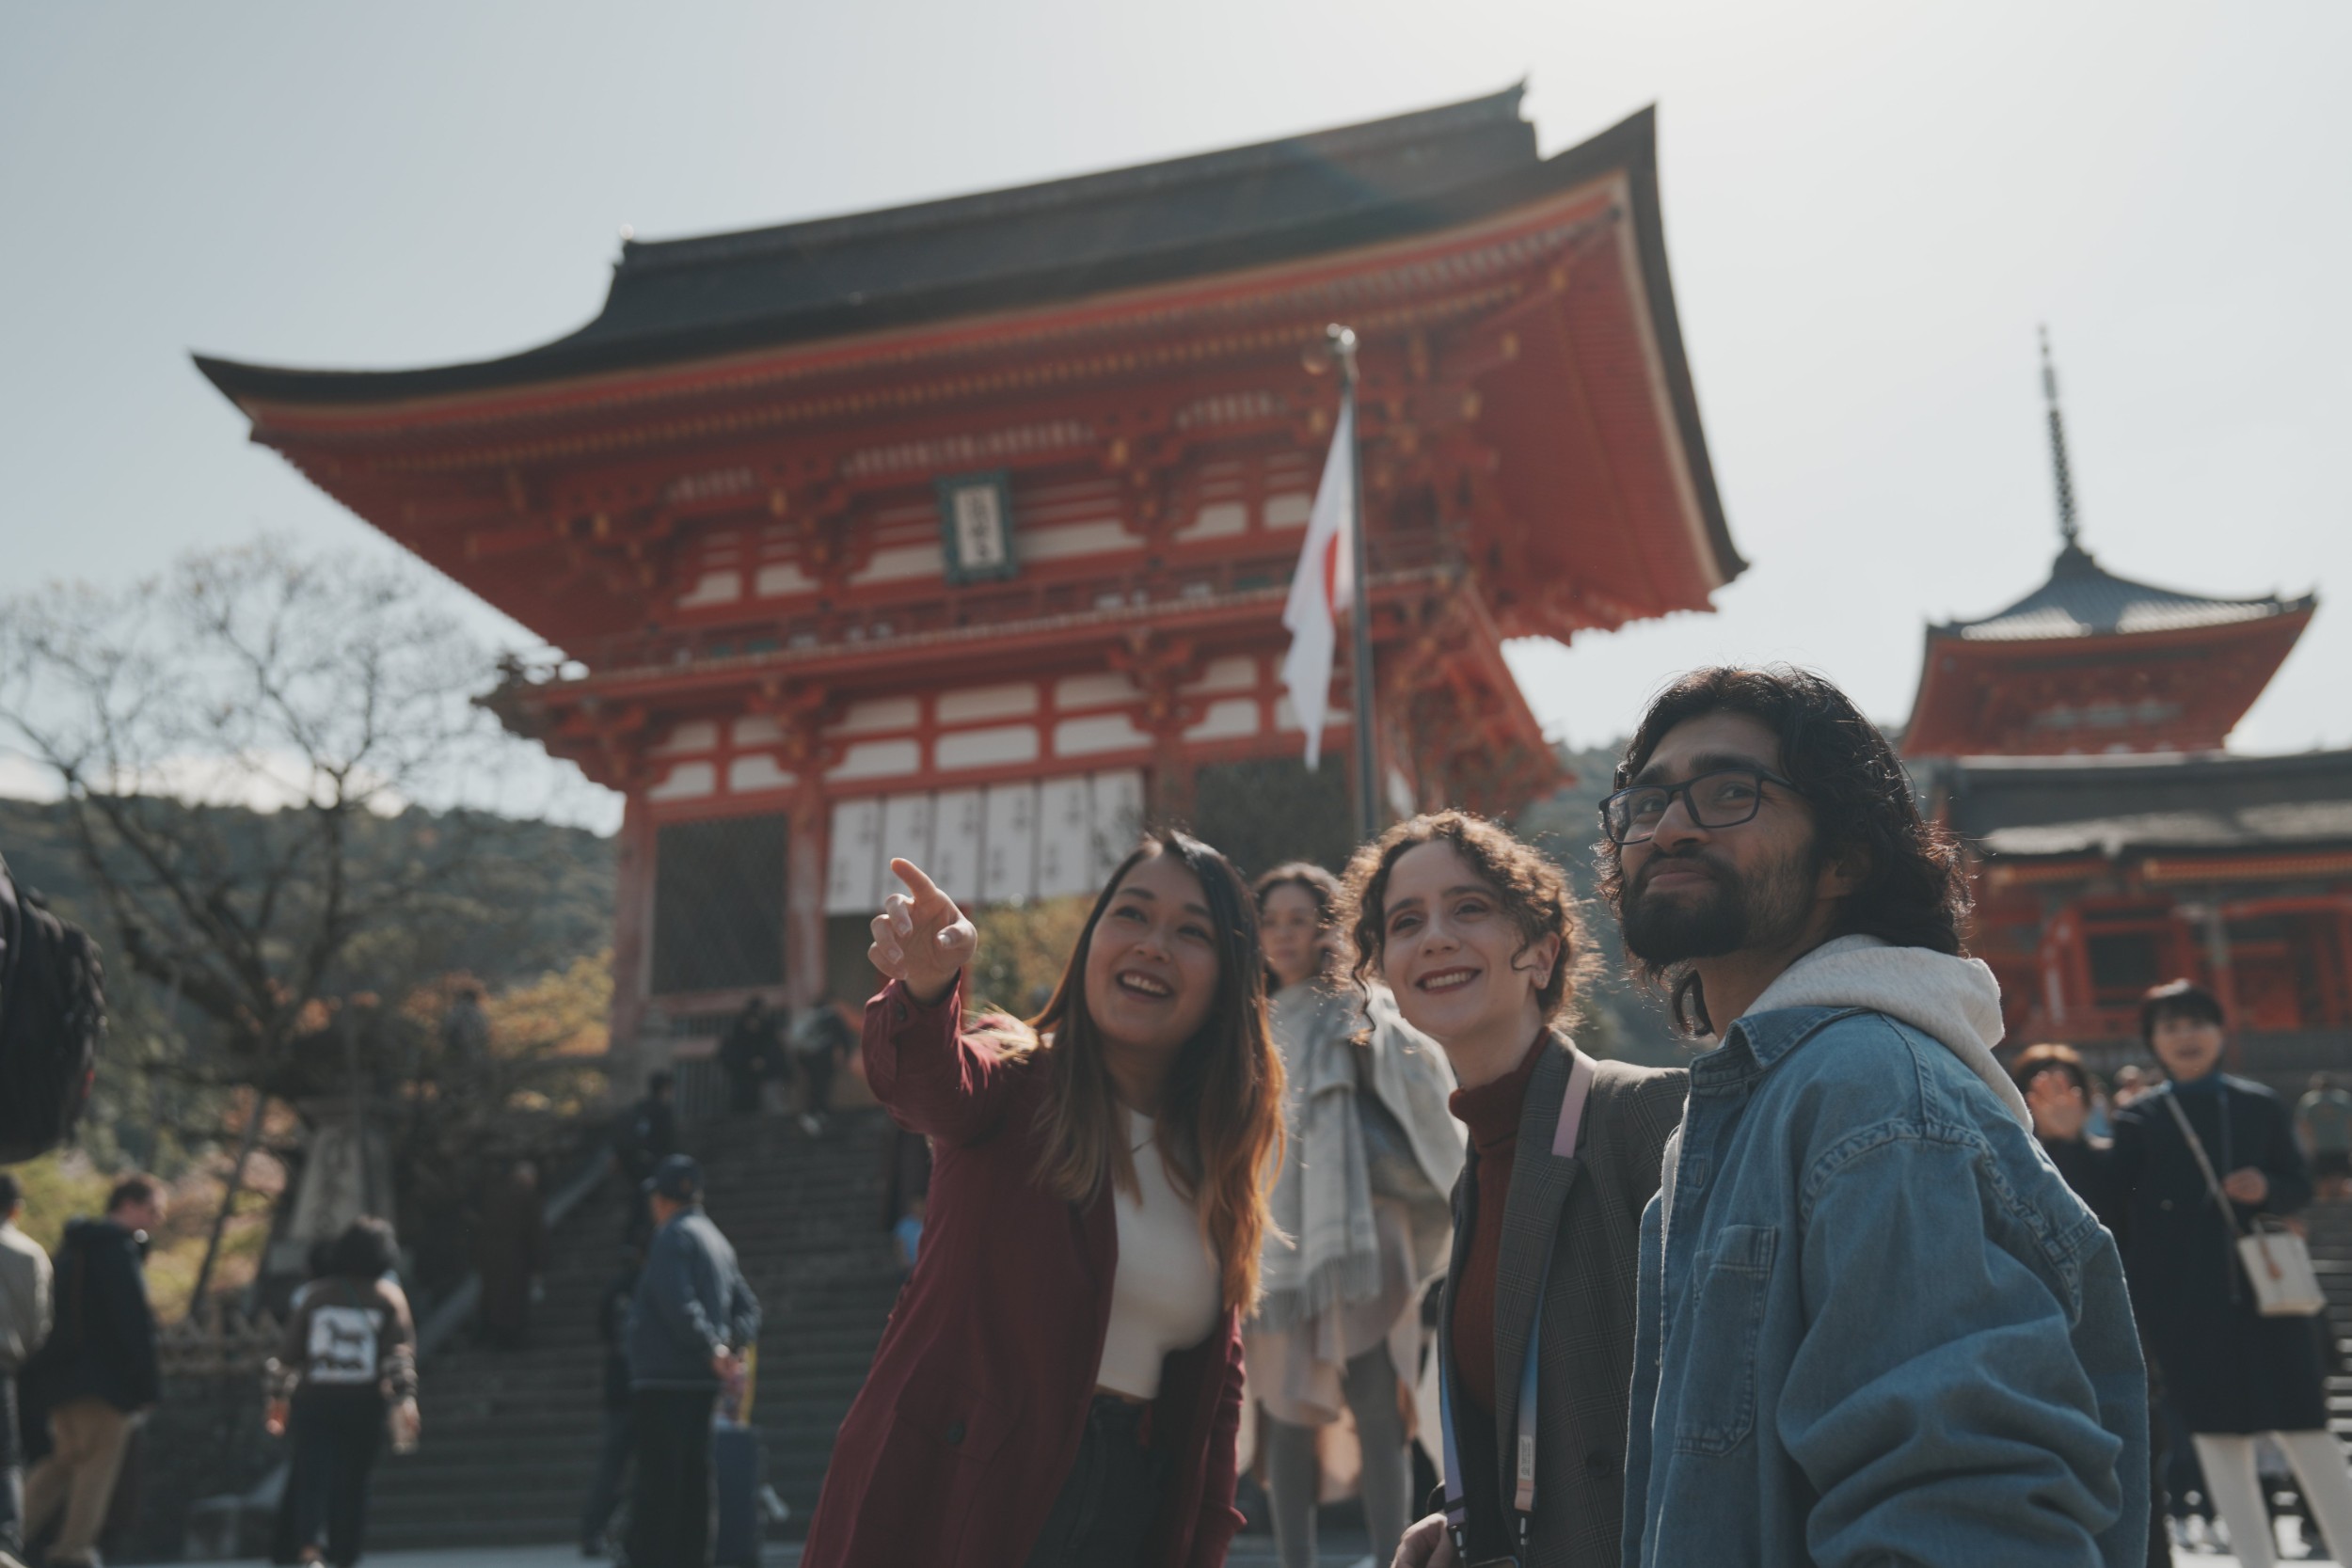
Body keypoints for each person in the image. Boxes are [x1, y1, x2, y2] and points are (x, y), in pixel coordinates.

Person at [1596, 667, 2146, 1568]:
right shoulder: (1743, 1116)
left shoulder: (1869, 1092)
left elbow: (1964, 1509)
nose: (1671, 825)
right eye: (1646, 801)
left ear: (1846, 858)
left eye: (1730, 791)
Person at [802, 837, 1286, 1568]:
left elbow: (1217, 1391)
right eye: (1132, 913)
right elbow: (927, 1082)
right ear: (1092, 941)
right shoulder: (1016, 1075)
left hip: (1126, 1506)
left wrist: (1204, 1542)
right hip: (952, 1488)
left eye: (1192, 931)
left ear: (1230, 977)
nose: (1154, 944)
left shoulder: (1218, 1154)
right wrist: (928, 992)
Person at [1368, 816, 1685, 1568]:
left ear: (1542, 954)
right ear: (1384, 974)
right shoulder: (1474, 1171)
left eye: (1469, 908)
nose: (1435, 936)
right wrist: (1464, 1514)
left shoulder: (1640, 1114)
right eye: (1405, 922)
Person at [1245, 862, 1461, 1568]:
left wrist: (1369, 1020)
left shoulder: (1363, 1005)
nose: (1283, 933)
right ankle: (1296, 1560)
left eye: (1299, 918)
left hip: (1364, 1228)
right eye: (1270, 919)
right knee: (1284, 1409)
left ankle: (1389, 1556)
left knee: (1377, 1400)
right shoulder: (1247, 1023)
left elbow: (1423, 1075)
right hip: (1280, 1237)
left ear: (1327, 927)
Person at [2112, 978, 2352, 1568]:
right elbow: (2123, 1213)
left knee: (2307, 1428)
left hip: (2271, 1295)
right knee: (2220, 1442)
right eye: (2170, 1027)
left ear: (2221, 1032)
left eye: (2196, 1023)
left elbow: (2297, 1181)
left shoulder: (2258, 1103)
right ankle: (2253, 1559)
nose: (2186, 1036)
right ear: (2152, 1042)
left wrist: (2268, 1187)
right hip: (2188, 1304)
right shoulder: (2139, 1120)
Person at [20, 1176, 166, 1568]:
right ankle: (73, 1551)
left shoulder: (74, 1248)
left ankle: (11, 1535)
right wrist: (147, 1387)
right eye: (153, 1210)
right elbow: (133, 1324)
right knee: (96, 1468)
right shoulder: (117, 1251)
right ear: (129, 1206)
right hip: (105, 1384)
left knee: (61, 1462)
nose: (157, 1220)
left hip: (59, 1380)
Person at [628, 1154, 759, 1568]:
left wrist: (711, 1348)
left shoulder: (672, 1236)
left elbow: (676, 1301)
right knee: (694, 1483)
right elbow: (749, 1307)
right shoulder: (718, 1239)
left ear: (662, 1199)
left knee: (658, 1487)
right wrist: (730, 1347)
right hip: (701, 1382)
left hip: (665, 1377)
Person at [263, 1217, 418, 1568]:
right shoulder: (387, 1297)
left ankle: (308, 1549)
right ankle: (345, 1554)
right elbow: (397, 1357)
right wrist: (404, 1399)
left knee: (311, 1476)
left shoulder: (317, 1296)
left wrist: (277, 1397)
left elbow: (289, 1353)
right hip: (363, 1403)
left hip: (316, 1400)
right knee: (354, 1482)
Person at [0, 1175, 54, 1563]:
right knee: (5, 1460)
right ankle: (6, 1546)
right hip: (4, 1367)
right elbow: (40, 1325)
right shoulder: (28, 1253)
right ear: (15, 1208)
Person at [580, 1245, 643, 1558]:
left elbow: (605, 1328)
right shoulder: (650, 1285)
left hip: (619, 1384)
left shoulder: (616, 1288)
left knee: (611, 1466)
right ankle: (629, 1531)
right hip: (644, 1386)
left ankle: (594, 1529)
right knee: (641, 1463)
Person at [474, 1160, 548, 1351]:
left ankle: (494, 1337)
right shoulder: (528, 1197)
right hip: (517, 1256)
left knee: (496, 1297)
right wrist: (538, 1265)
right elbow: (536, 1233)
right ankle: (512, 1340)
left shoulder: (495, 1195)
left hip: (491, 1256)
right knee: (514, 1300)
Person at [612, 1072, 679, 1249]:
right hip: (653, 1164)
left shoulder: (638, 1108)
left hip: (635, 1163)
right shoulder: (662, 1110)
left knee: (640, 1198)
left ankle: (632, 1240)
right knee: (649, 1202)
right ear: (666, 1089)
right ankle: (643, 1240)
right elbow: (669, 1140)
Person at [792, 993, 856, 1137]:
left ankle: (812, 1115)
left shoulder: (809, 1016)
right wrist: (846, 1055)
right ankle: (818, 1114)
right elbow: (844, 1038)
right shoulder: (832, 1017)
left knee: (813, 1087)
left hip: (809, 1060)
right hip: (824, 1058)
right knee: (823, 1087)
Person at [716, 999, 786, 1117]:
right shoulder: (737, 1035)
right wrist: (747, 1063)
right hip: (743, 1082)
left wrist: (764, 1063)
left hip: (766, 1081)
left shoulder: (768, 1034)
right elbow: (726, 1056)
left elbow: (777, 1056)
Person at [2296, 1071, 2352, 1201]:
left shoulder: (2309, 1100)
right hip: (2341, 1145)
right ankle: (2344, 1209)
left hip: (2320, 1147)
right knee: (2342, 1179)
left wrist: (2309, 1144)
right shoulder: (2343, 1099)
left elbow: (2303, 1125)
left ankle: (2325, 1209)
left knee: (2322, 1180)